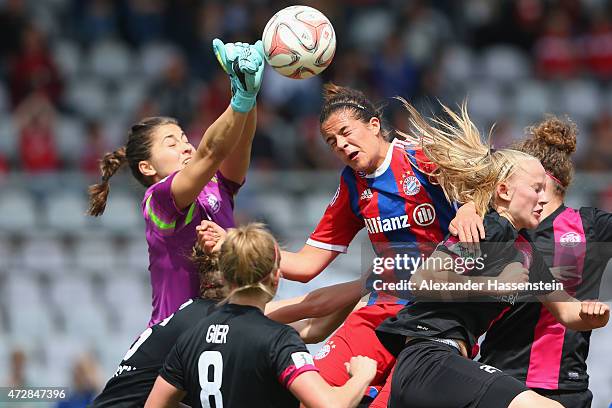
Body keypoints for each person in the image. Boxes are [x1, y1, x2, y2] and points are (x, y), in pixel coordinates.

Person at [375, 102, 609, 408]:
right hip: (428, 359)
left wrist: (592, 315)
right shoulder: (486, 227)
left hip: (444, 367)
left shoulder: (524, 251)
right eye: (537, 189)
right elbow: (422, 281)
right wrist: (492, 284)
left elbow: (566, 312)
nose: (543, 200)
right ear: (504, 191)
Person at [278, 83, 484, 406]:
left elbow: (489, 181)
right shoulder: (351, 185)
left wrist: (471, 206)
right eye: (332, 142)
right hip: (381, 310)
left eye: (346, 132)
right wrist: (246, 251)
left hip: (434, 313)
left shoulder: (421, 157)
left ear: (374, 125)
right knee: (311, 397)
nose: (342, 145)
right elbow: (305, 266)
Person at [87, 39, 265, 326]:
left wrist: (250, 94)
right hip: (171, 343)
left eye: (185, 139)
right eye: (171, 143)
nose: (186, 146)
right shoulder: (158, 200)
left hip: (221, 333)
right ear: (147, 167)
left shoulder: (217, 186)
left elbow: (242, 142)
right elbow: (211, 151)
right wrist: (240, 96)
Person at [92, 235, 363, 407]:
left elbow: (311, 328)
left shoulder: (194, 323)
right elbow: (311, 308)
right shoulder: (214, 318)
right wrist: (372, 281)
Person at [479, 116, 612, 408]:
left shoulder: (590, 226)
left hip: (564, 386)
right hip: (499, 378)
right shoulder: (500, 226)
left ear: (544, 179)